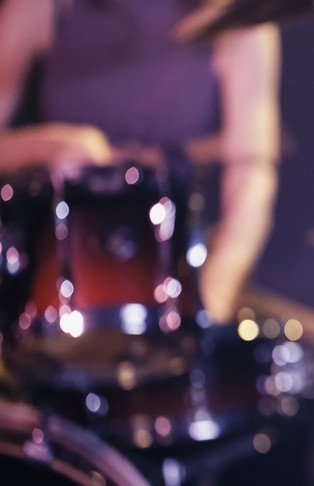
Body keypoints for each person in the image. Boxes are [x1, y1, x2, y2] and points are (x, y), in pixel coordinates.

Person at [0, 0, 280, 326]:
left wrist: (215, 291)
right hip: (50, 277)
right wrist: (45, 146)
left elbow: (251, 172)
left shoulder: (239, 13)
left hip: (175, 274)